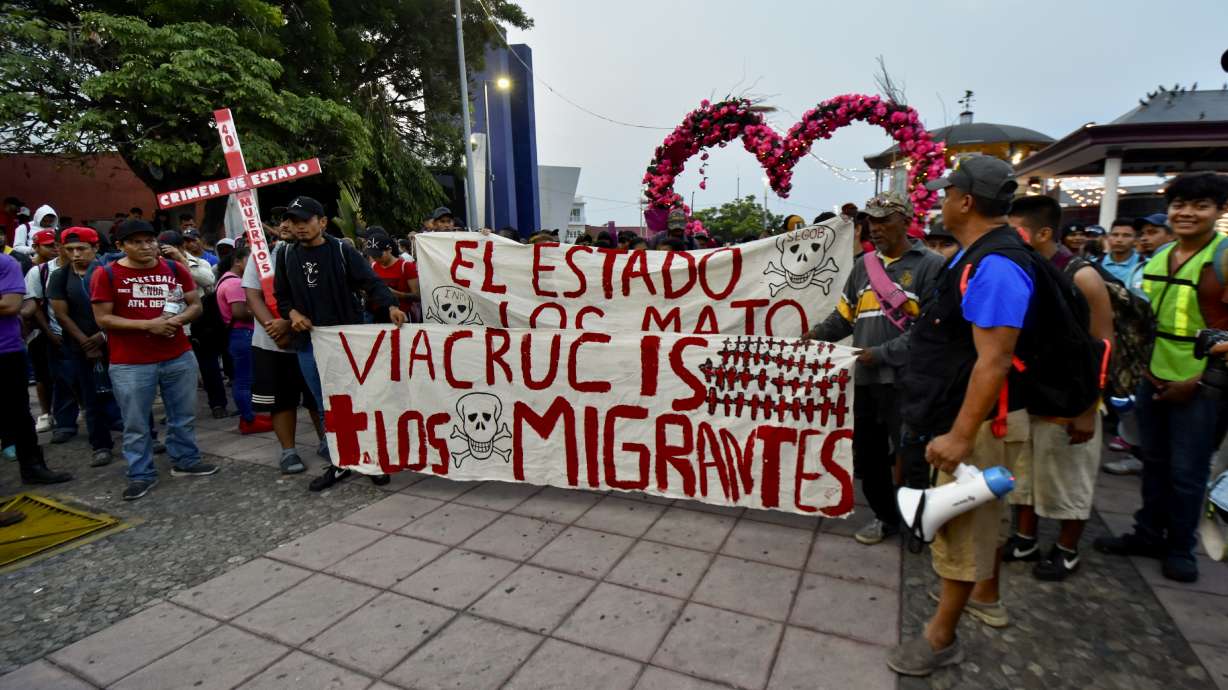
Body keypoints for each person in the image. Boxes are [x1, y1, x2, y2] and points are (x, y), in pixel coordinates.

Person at [890, 155, 1033, 676]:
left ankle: (940, 638)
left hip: (977, 425)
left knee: (961, 530)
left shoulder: (994, 266)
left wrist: (959, 434)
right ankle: (978, 598)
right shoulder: (976, 257)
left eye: (947, 192)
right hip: (965, 416)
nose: (942, 200)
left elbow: (993, 360)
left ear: (966, 201)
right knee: (968, 527)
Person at [1094, 172, 1228, 583]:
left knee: (1188, 470)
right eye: (1180, 204)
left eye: (1200, 205)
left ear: (1220, 211)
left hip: (1203, 384)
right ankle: (1147, 532)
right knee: (1153, 461)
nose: (1186, 213)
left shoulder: (1222, 257)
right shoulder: (1159, 254)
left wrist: (1202, 380)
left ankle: (1180, 547)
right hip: (1151, 376)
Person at [804, 192, 946, 546]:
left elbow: (930, 332)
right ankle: (885, 518)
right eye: (871, 220)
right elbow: (844, 316)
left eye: (884, 220)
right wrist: (816, 336)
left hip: (908, 382)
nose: (875, 228)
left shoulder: (930, 266)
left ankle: (917, 525)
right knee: (868, 457)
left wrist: (881, 353)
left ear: (905, 220)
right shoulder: (863, 266)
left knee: (912, 457)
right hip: (866, 381)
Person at [1007, 195, 1115, 580]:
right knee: (1025, 474)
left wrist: (1087, 407)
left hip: (1071, 397)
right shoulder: (1019, 269)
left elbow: (1102, 345)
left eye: (1015, 229)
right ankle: (1025, 538)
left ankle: (1067, 549)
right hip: (1028, 393)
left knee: (1069, 478)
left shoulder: (1081, 275)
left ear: (1044, 232)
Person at [272, 196, 405, 489]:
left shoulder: (342, 252)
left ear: (321, 222)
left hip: (346, 341)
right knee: (325, 405)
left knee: (360, 400)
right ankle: (341, 461)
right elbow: (281, 297)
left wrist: (390, 306)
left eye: (305, 220)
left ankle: (371, 460)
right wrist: (292, 314)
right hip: (309, 343)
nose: (299, 227)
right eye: (293, 221)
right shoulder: (284, 255)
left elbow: (372, 283)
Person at [91, 219, 218, 501]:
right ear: (120, 246)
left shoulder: (174, 268)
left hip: (178, 355)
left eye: (149, 240)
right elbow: (103, 318)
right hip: (130, 362)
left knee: (183, 414)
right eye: (136, 242)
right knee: (135, 421)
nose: (145, 247)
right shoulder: (106, 274)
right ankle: (140, 473)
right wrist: (149, 326)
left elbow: (195, 304)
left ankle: (186, 460)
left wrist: (177, 320)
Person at [245, 215, 327, 474]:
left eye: (293, 220)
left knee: (317, 396)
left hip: (309, 338)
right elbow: (252, 295)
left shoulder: (321, 253)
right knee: (281, 401)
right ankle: (288, 451)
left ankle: (327, 441)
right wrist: (274, 327)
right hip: (272, 344)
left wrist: (289, 324)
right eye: (281, 220)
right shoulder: (262, 256)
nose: (286, 225)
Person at [47, 227, 121, 466]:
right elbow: (61, 314)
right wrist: (85, 341)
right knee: (90, 397)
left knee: (129, 392)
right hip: (80, 346)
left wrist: (102, 335)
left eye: (81, 248)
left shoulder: (109, 272)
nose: (76, 254)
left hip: (116, 339)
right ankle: (100, 444)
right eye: (70, 250)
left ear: (95, 248)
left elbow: (121, 307)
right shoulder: (60, 276)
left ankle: (146, 436)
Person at [0, 251, 72, 486]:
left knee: (18, 414)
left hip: (5, 351)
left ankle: (32, 467)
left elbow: (10, 305)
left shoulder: (5, 263)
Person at [158, 230, 227, 418]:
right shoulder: (155, 265)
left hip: (199, 322)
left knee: (209, 365)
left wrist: (181, 261)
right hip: (170, 323)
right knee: (169, 371)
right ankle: (173, 410)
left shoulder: (200, 263)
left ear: (181, 247)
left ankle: (218, 404)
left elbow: (208, 280)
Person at [22, 227, 79, 440]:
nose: (57, 249)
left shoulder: (93, 268)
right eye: (53, 245)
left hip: (90, 335)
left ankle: (105, 419)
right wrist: (49, 333)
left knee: (97, 381)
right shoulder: (40, 271)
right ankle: (64, 424)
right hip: (58, 335)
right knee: (62, 381)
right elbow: (34, 305)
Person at [215, 245, 269, 434]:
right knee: (244, 380)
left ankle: (250, 416)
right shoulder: (235, 283)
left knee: (244, 378)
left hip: (239, 335)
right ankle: (248, 419)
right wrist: (261, 309)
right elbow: (239, 312)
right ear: (238, 261)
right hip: (243, 334)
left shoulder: (228, 280)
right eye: (251, 260)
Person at [366, 231, 419, 319]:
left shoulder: (406, 266)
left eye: (379, 255)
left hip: (402, 316)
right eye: (373, 256)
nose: (376, 259)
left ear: (389, 250)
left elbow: (417, 296)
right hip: (379, 316)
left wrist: (397, 294)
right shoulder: (373, 266)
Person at [1126, 213, 1174, 298]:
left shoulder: (1179, 265)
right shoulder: (1137, 269)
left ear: (1171, 235)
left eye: (1152, 232)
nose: (1143, 238)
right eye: (1142, 234)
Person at [1100, 218, 1140, 284]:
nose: (1119, 240)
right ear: (1108, 237)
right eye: (1115, 235)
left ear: (1136, 240)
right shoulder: (1095, 263)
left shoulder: (1146, 265)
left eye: (1126, 235)